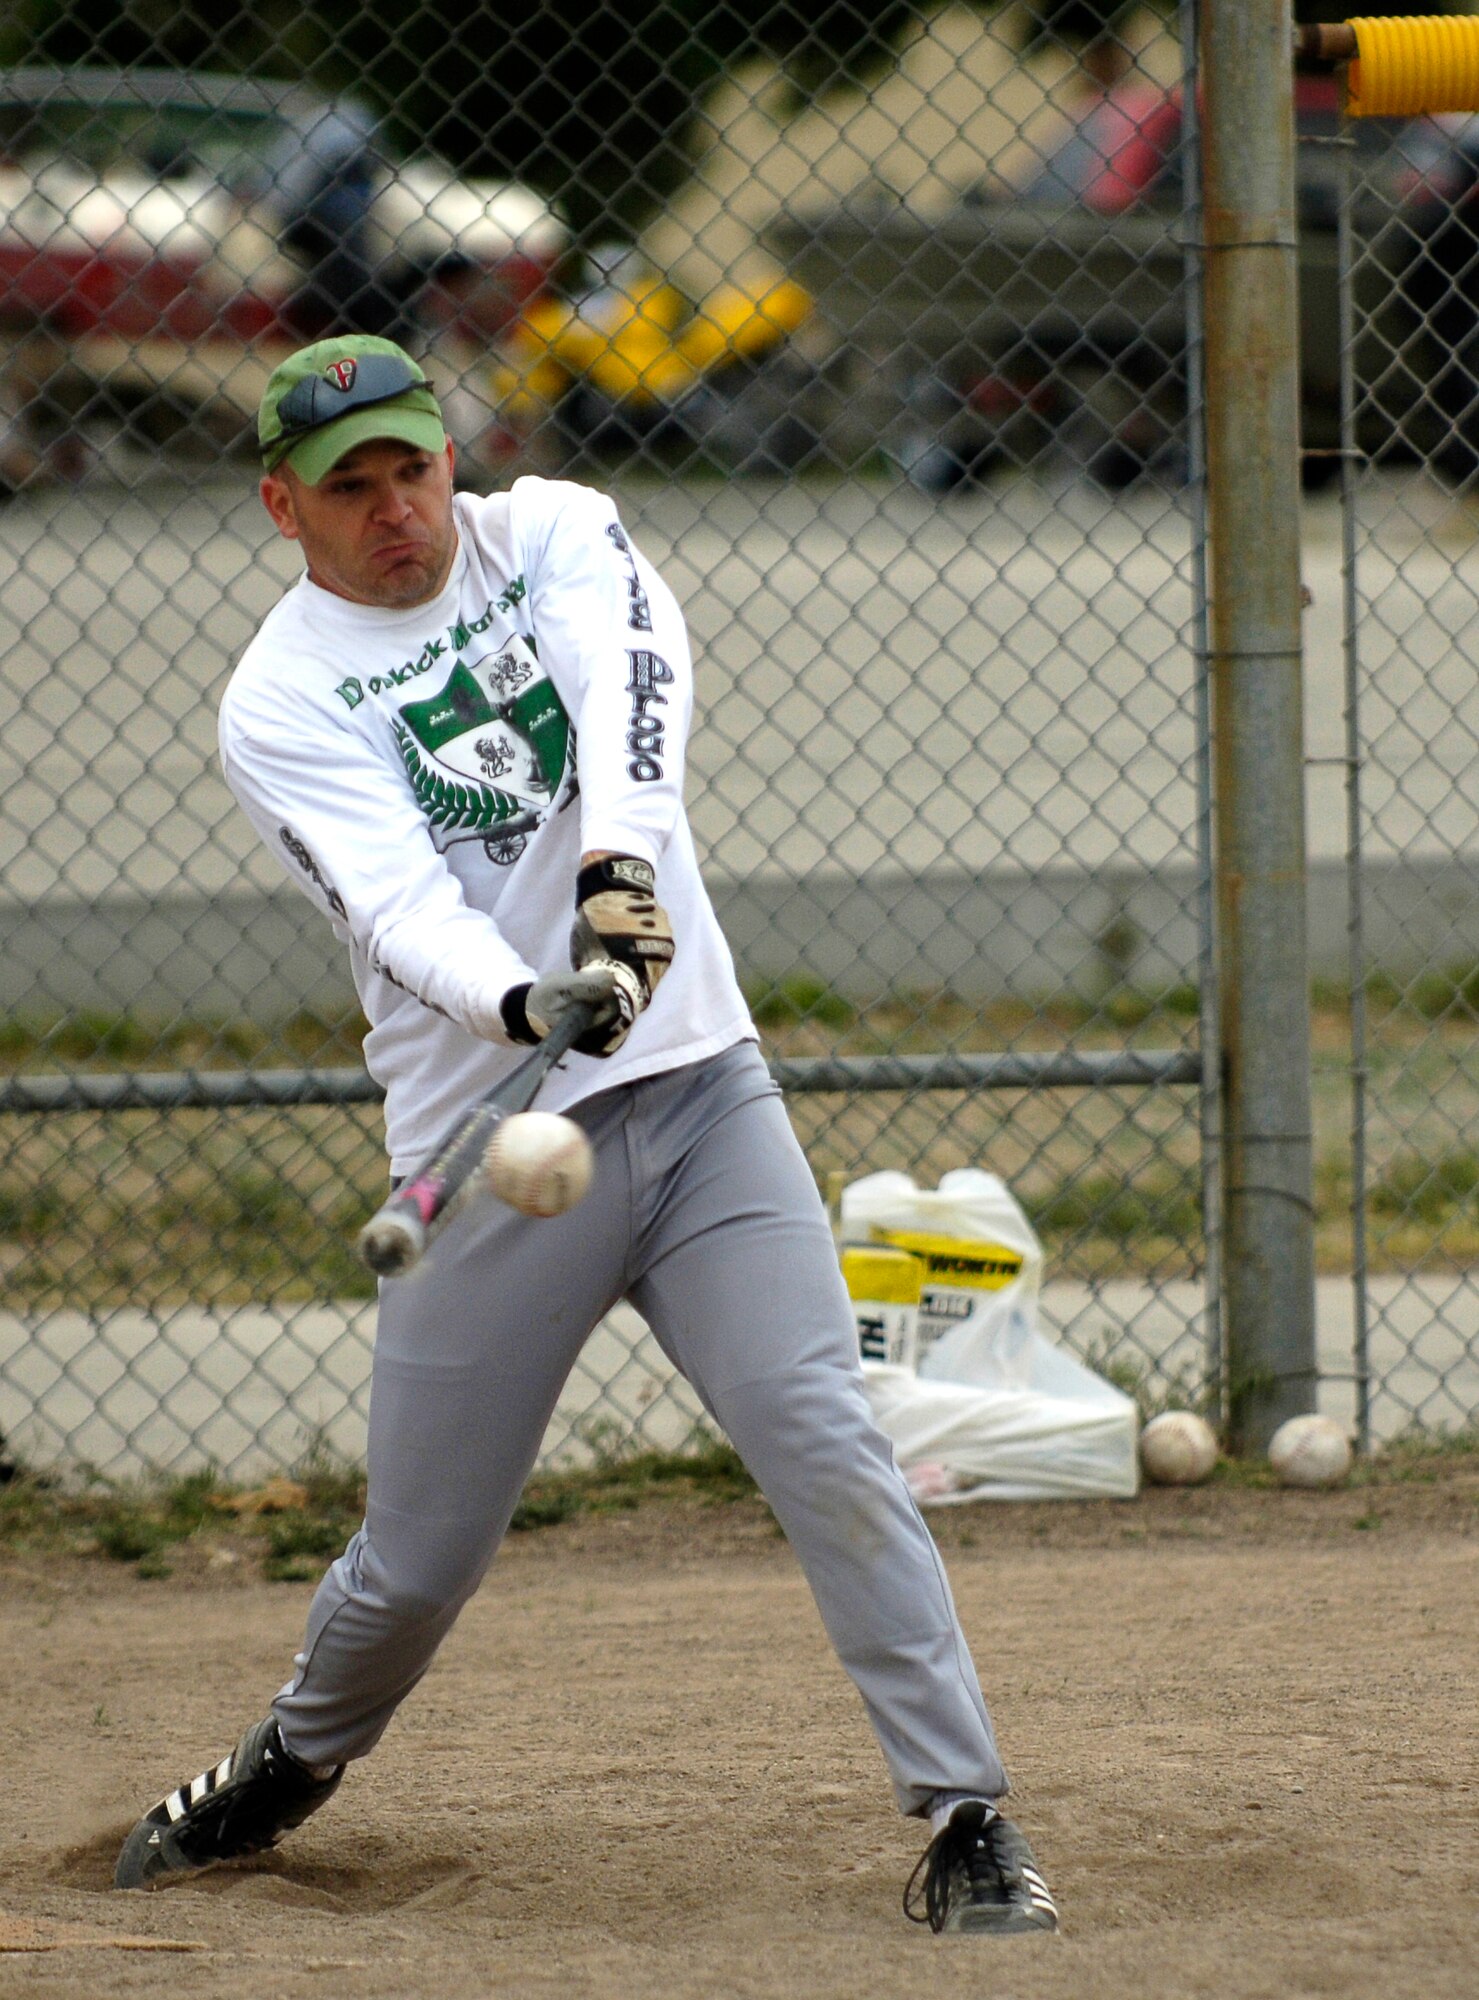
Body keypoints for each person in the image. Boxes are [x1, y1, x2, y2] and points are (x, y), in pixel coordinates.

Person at [111, 333, 1059, 1938]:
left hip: (698, 1096)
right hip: (497, 1156)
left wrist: (616, 876)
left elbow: (630, 686)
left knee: (825, 1439)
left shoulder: (549, 527)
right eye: (353, 486)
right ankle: (290, 1758)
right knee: (416, 1564)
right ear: (285, 504)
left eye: (415, 465)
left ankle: (969, 1817)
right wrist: (518, 1001)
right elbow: (396, 908)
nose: (399, 506)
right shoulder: (278, 699)